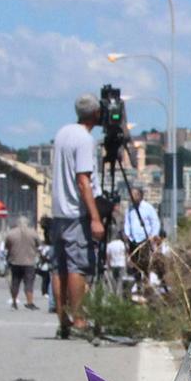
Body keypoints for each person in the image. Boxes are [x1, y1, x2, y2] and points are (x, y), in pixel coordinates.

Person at [49, 95, 107, 341]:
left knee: (58, 267)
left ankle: (63, 319)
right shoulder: (85, 139)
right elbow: (83, 181)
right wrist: (95, 217)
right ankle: (79, 319)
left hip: (58, 211)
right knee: (77, 267)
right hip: (76, 213)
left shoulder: (63, 133)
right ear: (96, 113)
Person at [123, 184, 165, 299]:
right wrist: (127, 234)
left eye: (135, 194)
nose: (133, 197)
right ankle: (138, 285)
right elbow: (127, 223)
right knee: (135, 264)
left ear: (141, 196)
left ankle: (147, 286)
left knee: (145, 263)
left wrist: (152, 235)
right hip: (133, 241)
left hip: (145, 240)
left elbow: (155, 222)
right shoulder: (129, 209)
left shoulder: (148, 208)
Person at [4, 216, 41, 310]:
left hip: (15, 261)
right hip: (29, 262)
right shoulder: (33, 233)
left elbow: (7, 246)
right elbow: (39, 244)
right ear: (27, 223)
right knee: (29, 283)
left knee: (15, 282)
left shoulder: (11, 233)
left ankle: (14, 301)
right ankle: (29, 302)